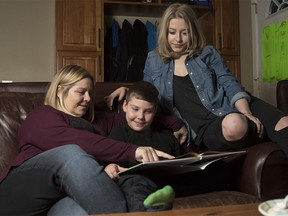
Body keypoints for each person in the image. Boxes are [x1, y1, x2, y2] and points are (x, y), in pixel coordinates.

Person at [105, 3, 288, 158]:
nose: (178, 39)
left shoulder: (207, 53)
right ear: (164, 33)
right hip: (208, 127)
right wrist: (126, 89)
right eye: (172, 32)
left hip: (234, 105)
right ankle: (255, 130)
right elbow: (147, 92)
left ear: (192, 32)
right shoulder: (154, 59)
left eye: (184, 33)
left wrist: (248, 113)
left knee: (284, 123)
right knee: (235, 125)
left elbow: (229, 83)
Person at [0, 65, 187, 215]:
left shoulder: (97, 120)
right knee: (71, 152)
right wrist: (134, 151)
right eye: (81, 92)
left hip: (59, 200)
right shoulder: (42, 115)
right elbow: (74, 141)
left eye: (90, 92)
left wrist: (177, 124)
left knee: (82, 210)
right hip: (19, 194)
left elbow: (138, 117)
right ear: (59, 91)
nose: (88, 99)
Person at [109, 80, 183, 164]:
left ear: (155, 111)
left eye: (148, 111)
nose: (140, 117)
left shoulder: (168, 137)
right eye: (135, 109)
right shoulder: (117, 136)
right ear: (125, 106)